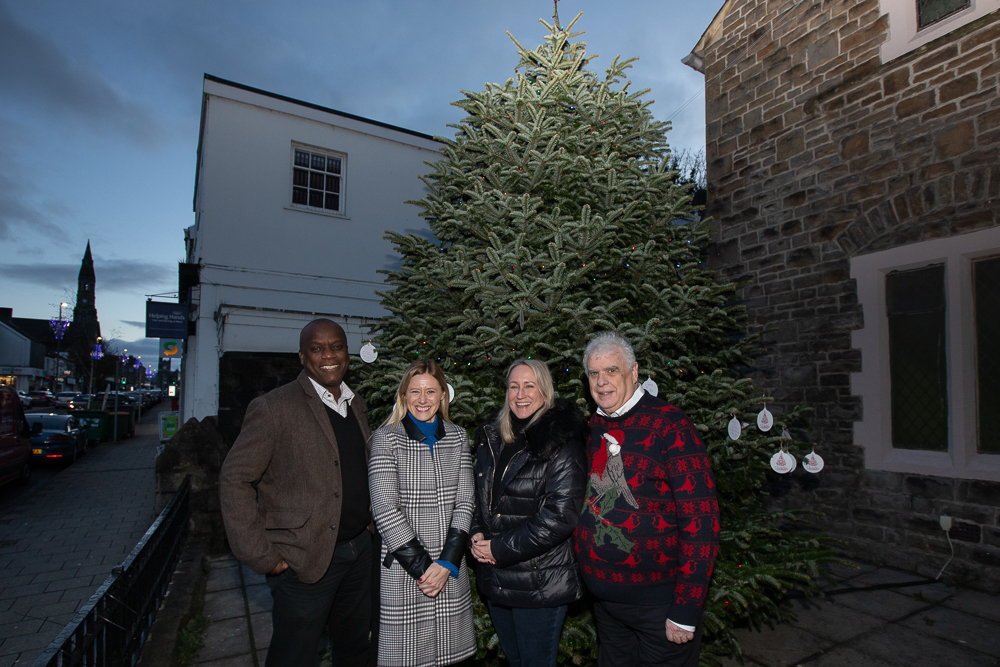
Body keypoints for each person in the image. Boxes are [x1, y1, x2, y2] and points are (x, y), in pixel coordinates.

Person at [219, 319, 374, 667]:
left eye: (336, 346)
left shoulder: (356, 403)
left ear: (346, 352)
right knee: (295, 655)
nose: (329, 355)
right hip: (303, 560)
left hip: (359, 552)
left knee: (355, 649)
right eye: (317, 349)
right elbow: (234, 479)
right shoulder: (274, 408)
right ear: (302, 356)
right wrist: (263, 556)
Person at [573, 332, 720, 667]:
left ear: (634, 372)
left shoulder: (670, 425)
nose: (601, 381)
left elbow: (702, 521)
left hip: (660, 607)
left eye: (612, 370)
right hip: (605, 604)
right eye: (594, 374)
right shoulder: (592, 426)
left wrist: (686, 608)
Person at [469, 359, 588, 667]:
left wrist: (498, 548)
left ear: (544, 391)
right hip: (496, 578)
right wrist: (477, 533)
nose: (520, 394)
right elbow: (477, 497)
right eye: (513, 386)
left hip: (539, 583)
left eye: (529, 386)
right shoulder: (492, 438)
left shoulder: (562, 442)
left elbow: (559, 517)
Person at [368, 360, 476, 667]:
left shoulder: (458, 437)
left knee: (452, 659)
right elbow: (385, 508)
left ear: (443, 395)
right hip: (406, 572)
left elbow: (465, 502)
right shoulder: (386, 438)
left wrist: (445, 563)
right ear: (403, 396)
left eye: (431, 391)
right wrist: (425, 569)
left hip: (449, 569)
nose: (423, 399)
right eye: (414, 391)